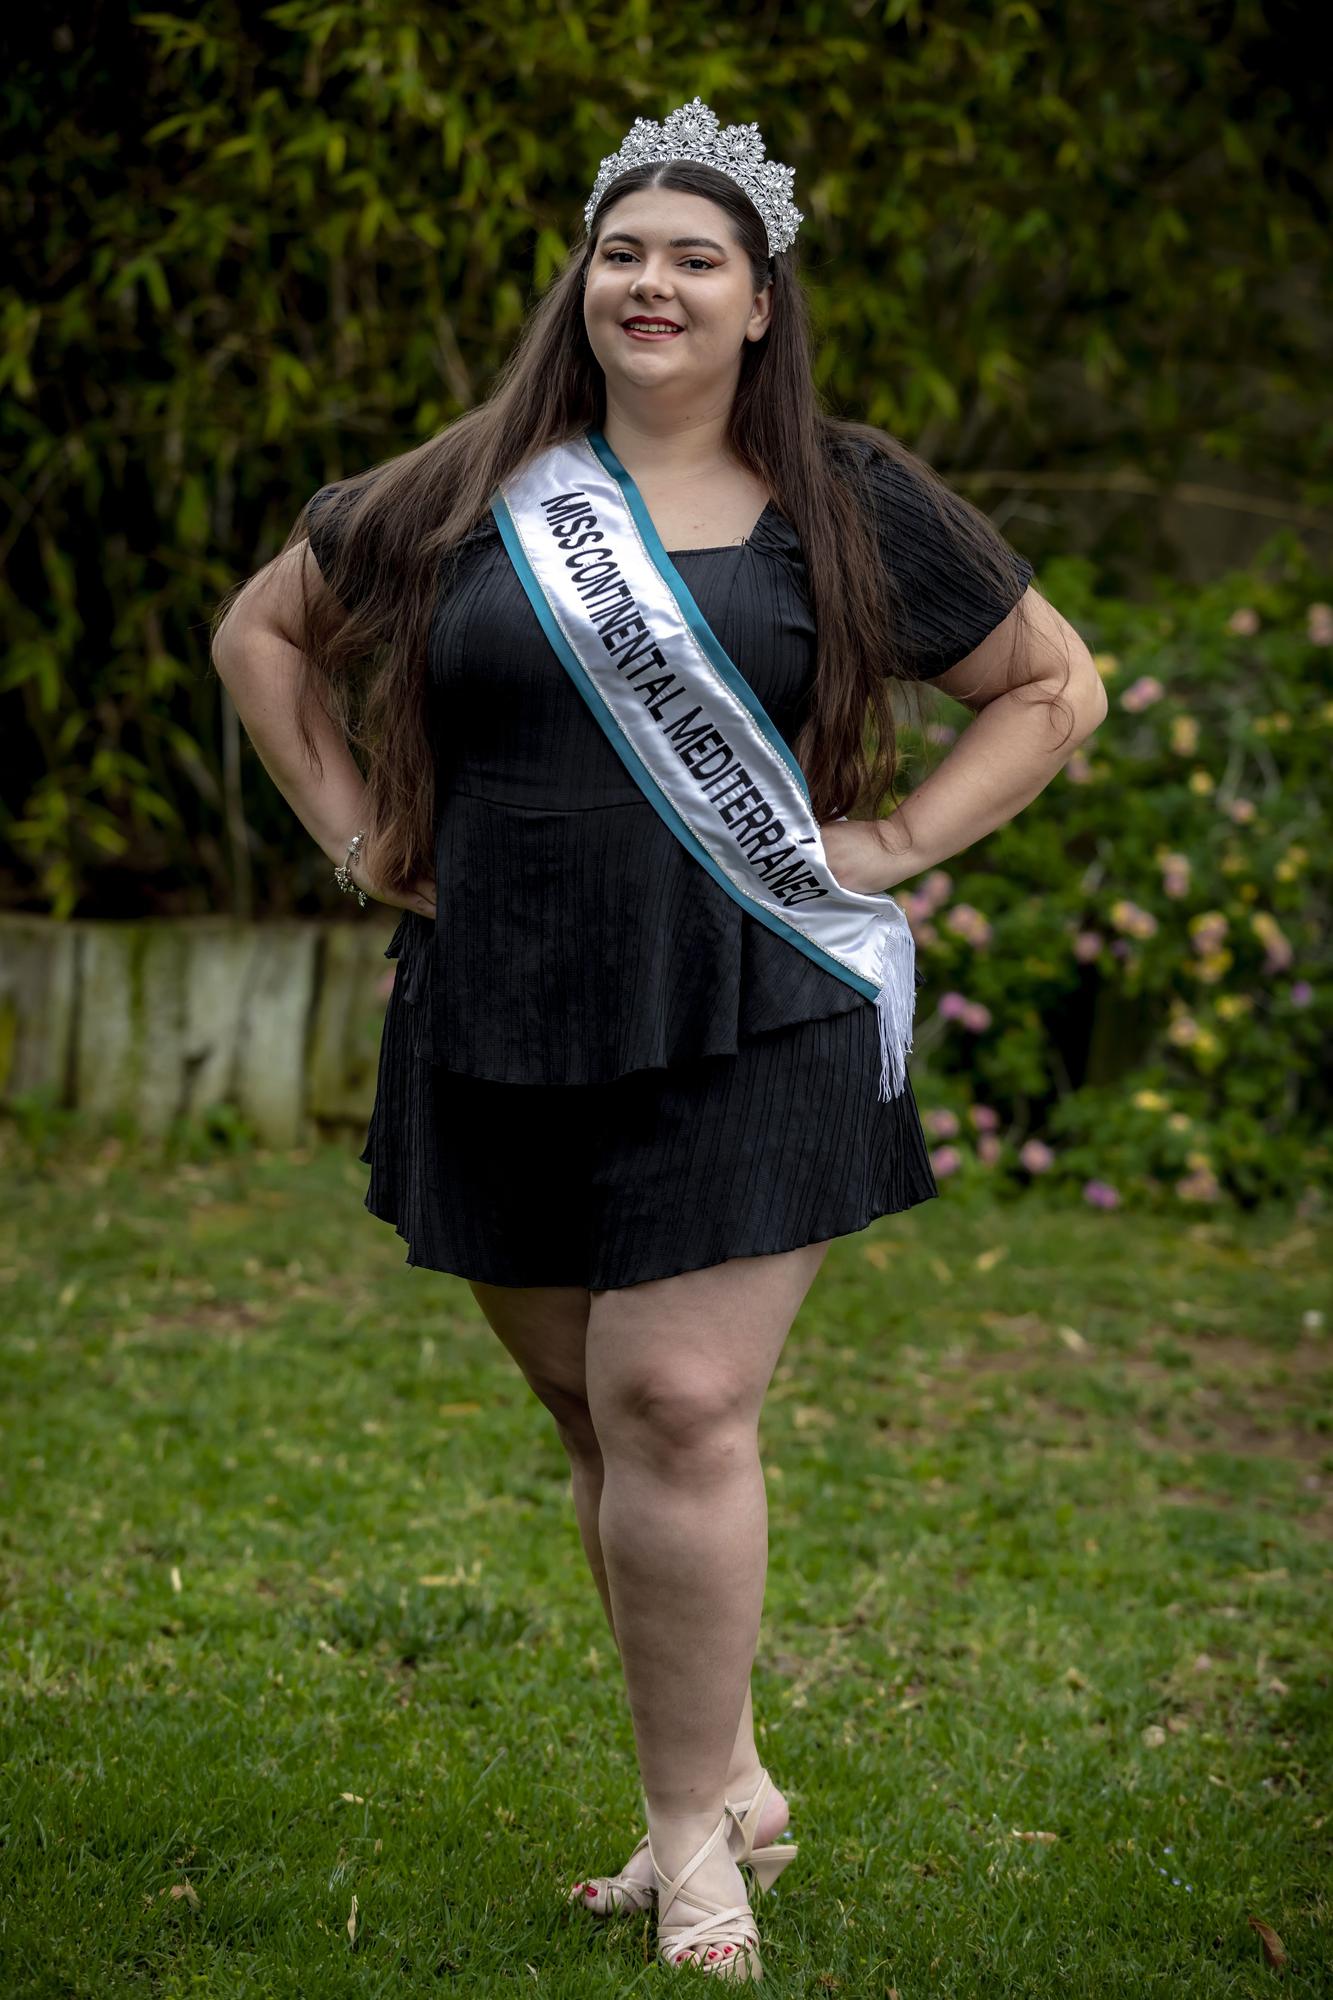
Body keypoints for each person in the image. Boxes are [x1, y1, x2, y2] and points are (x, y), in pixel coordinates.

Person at [212, 98, 1107, 1982]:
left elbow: (1051, 684)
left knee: (680, 1404)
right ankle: (729, 1777)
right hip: (504, 1006)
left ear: (760, 302)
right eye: (624, 251)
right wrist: (357, 831)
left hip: (752, 1001)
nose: (652, 283)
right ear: (583, 282)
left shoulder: (848, 493)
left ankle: (690, 1844)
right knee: (590, 1413)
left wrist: (899, 839)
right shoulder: (475, 481)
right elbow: (263, 639)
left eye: (696, 257)